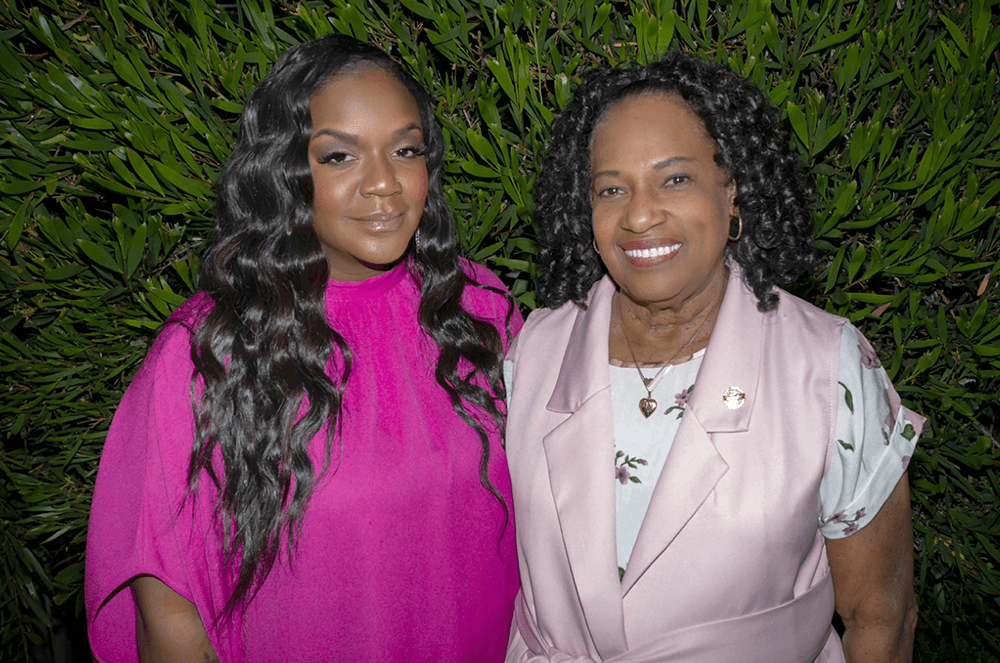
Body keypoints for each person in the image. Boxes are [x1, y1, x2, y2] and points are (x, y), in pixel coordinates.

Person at [86, 34, 522, 663]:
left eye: (406, 149)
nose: (384, 184)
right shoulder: (207, 354)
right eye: (340, 157)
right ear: (284, 171)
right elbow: (170, 616)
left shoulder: (480, 309)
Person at [504, 51, 923, 663]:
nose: (640, 215)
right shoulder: (534, 352)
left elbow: (880, 619)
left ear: (734, 194)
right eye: (612, 189)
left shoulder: (827, 370)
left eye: (675, 179)